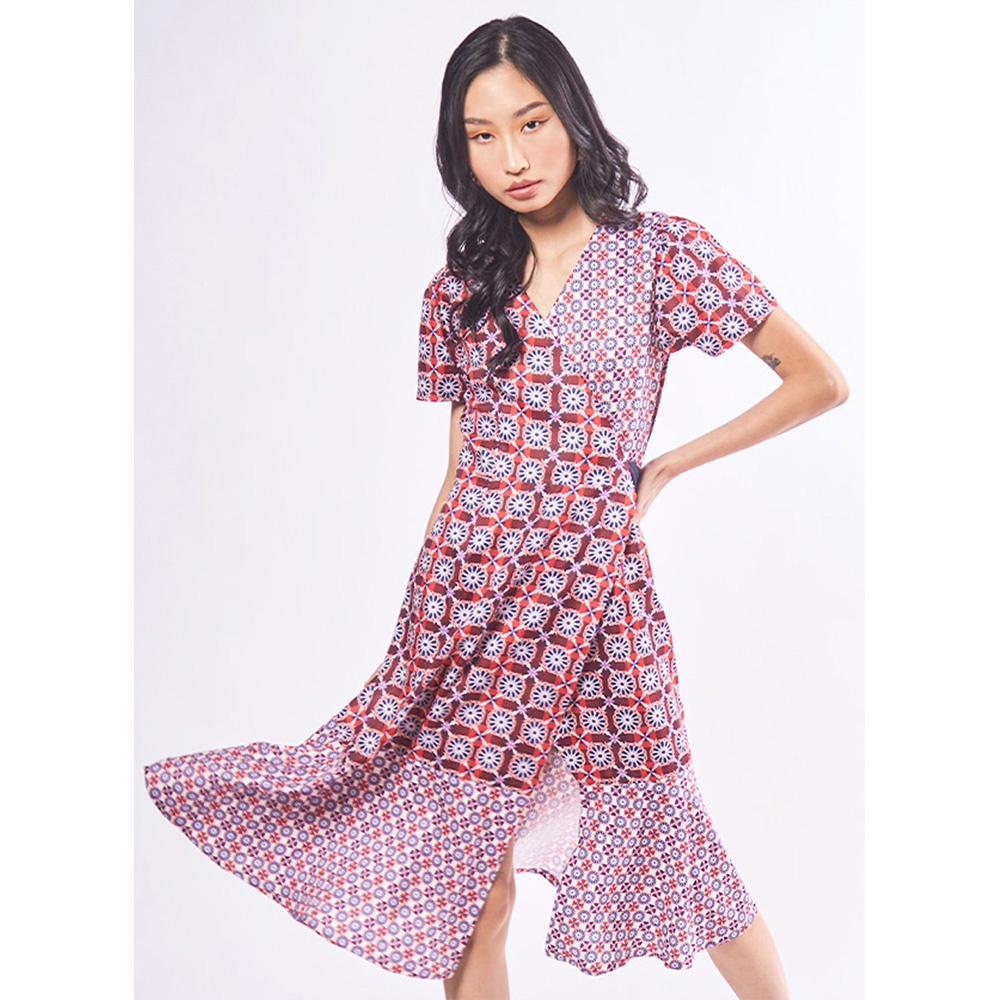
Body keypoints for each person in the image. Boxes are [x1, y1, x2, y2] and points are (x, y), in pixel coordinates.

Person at [144, 14, 848, 1000]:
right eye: (482, 135)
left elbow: (819, 381)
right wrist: (422, 618)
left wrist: (663, 469)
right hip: (471, 601)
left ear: (572, 116)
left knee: (676, 839)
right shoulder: (461, 290)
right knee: (471, 881)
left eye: (530, 123)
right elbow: (461, 469)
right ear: (459, 148)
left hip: (598, 596)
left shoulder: (664, 254)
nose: (512, 158)